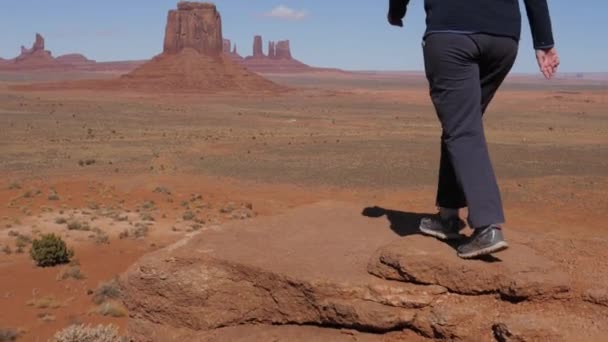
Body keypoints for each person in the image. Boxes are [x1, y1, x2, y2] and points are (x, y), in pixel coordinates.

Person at [387, 0, 559, 259]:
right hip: (503, 40)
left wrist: (396, 11)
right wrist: (543, 41)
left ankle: (487, 226)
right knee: (460, 122)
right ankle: (448, 215)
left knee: (462, 129)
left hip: (451, 34)